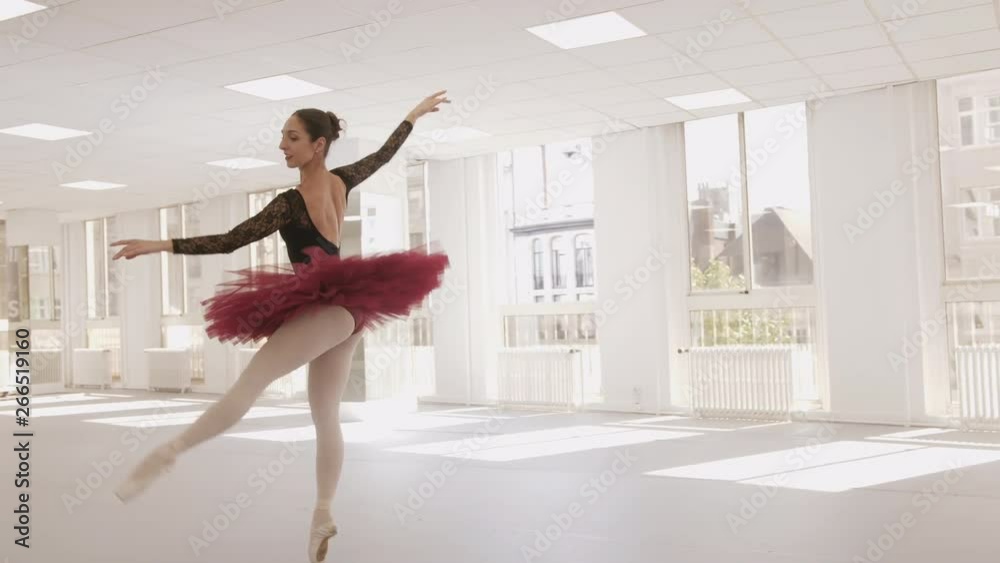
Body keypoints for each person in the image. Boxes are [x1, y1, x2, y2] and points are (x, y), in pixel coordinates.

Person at [110, 91, 451, 562]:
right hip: (350, 313)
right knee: (325, 414)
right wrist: (411, 116)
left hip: (323, 310)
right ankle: (323, 512)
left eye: (292, 137)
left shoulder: (291, 202)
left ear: (319, 144)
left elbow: (231, 240)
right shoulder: (342, 181)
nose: (282, 146)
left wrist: (159, 244)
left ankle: (170, 452)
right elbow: (384, 154)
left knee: (250, 384)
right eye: (282, 137)